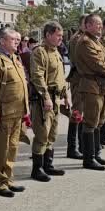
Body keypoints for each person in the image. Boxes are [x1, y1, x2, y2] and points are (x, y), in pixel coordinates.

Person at [0, 27, 29, 197]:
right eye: (12, 39)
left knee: (12, 148)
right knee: (0, 150)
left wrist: (26, 110)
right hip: (3, 113)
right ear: (2, 41)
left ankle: (8, 179)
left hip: (17, 111)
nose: (17, 41)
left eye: (17, 40)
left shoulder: (14, 58)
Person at [73, 14, 105, 170]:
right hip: (91, 86)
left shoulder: (96, 41)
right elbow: (97, 64)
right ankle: (89, 158)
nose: (100, 27)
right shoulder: (85, 42)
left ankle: (96, 154)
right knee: (91, 122)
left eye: (100, 24)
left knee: (99, 120)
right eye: (96, 24)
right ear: (88, 25)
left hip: (101, 85)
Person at [28, 21, 68, 182]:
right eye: (58, 35)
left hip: (56, 98)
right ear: (48, 35)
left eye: (61, 35)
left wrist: (66, 96)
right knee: (42, 134)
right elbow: (37, 76)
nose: (61, 38)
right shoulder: (40, 52)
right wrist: (45, 97)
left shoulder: (56, 52)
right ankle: (37, 169)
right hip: (44, 99)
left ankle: (48, 165)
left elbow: (60, 76)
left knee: (52, 133)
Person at [66, 20, 86, 159]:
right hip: (78, 79)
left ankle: (82, 145)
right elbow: (80, 60)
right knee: (77, 113)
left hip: (84, 80)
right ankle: (72, 147)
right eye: (87, 24)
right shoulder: (77, 39)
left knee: (82, 113)